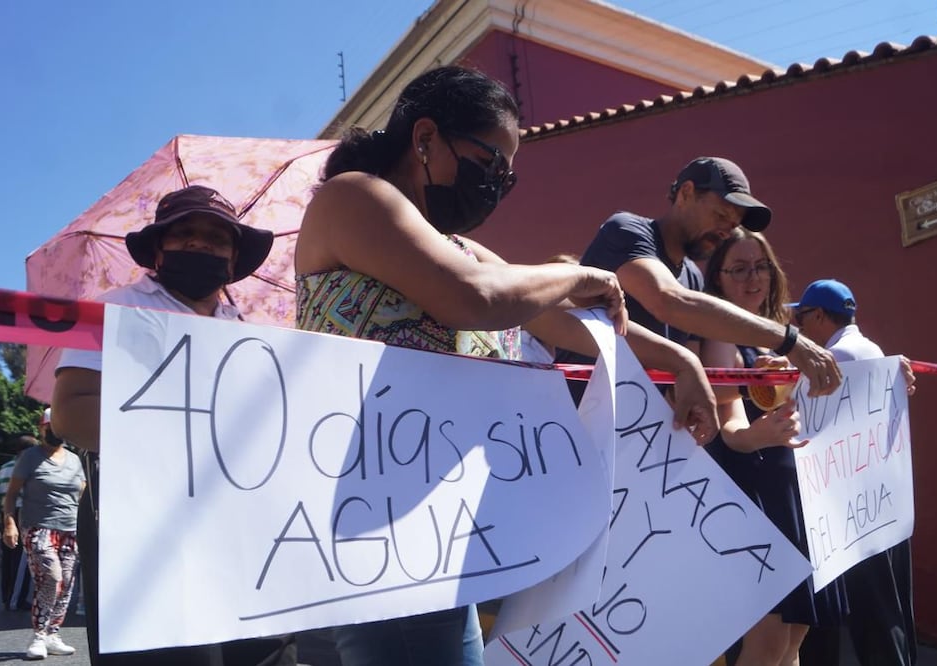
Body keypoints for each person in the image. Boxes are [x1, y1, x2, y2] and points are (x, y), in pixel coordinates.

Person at [295, 65, 718, 666]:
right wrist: (577, 274)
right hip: (379, 529)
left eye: (507, 176)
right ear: (425, 139)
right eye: (491, 162)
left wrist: (680, 360)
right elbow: (479, 298)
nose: (497, 184)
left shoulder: (457, 248)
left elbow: (557, 321)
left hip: (437, 527)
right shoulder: (355, 197)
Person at [49, 185, 298, 666]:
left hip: (245, 518)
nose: (200, 244)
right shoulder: (113, 310)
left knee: (265, 652)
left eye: (216, 238)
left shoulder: (252, 332)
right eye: (184, 234)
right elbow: (72, 413)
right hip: (145, 516)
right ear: (158, 250)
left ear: (233, 258)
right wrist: (190, 433)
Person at [699, 230, 848, 666]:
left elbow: (834, 390)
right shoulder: (721, 335)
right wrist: (761, 435)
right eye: (739, 268)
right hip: (754, 494)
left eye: (761, 266)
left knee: (793, 639)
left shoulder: (782, 339)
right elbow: (730, 430)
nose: (753, 277)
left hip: (791, 489)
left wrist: (894, 375)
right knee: (766, 641)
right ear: (719, 279)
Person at [575, 156, 842, 398]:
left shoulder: (692, 276)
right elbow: (668, 300)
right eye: (720, 215)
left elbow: (683, 384)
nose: (726, 231)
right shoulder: (626, 230)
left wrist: (758, 381)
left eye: (733, 225)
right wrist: (788, 340)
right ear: (686, 193)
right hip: (577, 425)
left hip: (634, 436)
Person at [792, 279, 917, 666]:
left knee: (870, 616)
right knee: (890, 612)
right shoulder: (872, 350)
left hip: (852, 513)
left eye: (801, 318)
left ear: (817, 316)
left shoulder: (836, 356)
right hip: (881, 505)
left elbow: (798, 415)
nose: (797, 329)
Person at [2, 408, 85, 659]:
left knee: (67, 583)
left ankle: (53, 634)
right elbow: (12, 494)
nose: (55, 432)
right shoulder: (29, 457)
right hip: (38, 526)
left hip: (70, 528)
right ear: (42, 428)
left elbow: (81, 493)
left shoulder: (75, 459)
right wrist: (9, 523)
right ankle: (39, 635)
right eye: (51, 427)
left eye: (59, 427)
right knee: (51, 575)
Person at [0, 434, 35, 611]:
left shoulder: (4, 468)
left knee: (7, 557)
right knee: (22, 559)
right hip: (21, 514)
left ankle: (6, 595)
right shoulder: (25, 469)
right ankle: (17, 598)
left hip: (4, 514)